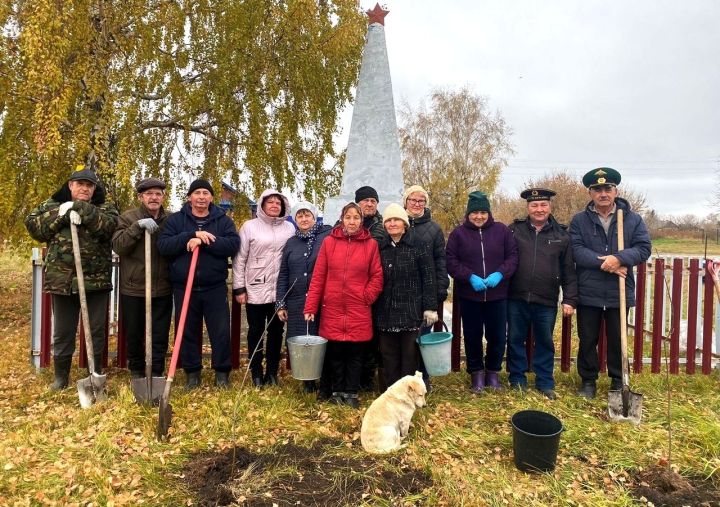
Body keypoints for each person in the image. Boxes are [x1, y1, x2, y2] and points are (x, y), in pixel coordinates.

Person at [25, 166, 119, 389]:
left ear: (94, 188)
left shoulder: (105, 207)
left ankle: (94, 374)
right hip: (63, 281)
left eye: (89, 185)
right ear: (70, 185)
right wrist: (61, 215)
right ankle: (61, 378)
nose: (85, 188)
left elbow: (109, 228)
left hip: (95, 281)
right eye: (80, 184)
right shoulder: (53, 204)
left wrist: (81, 209)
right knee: (63, 332)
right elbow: (34, 227)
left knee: (96, 331)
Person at [570, 168, 651, 399]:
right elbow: (576, 250)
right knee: (587, 338)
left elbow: (644, 248)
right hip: (589, 289)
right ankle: (588, 381)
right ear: (590, 193)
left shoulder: (632, 219)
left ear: (616, 191)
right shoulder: (579, 220)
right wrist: (607, 262)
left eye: (608, 188)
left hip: (619, 290)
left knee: (617, 337)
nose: (603, 193)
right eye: (597, 189)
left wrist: (621, 259)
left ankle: (618, 379)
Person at [157, 179, 239, 389]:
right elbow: (164, 245)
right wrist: (191, 236)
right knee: (187, 331)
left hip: (214, 287)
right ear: (189, 197)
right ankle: (192, 374)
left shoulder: (223, 220)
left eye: (206, 193)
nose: (201, 197)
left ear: (212, 197)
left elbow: (232, 245)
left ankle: (222, 374)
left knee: (220, 331)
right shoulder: (176, 221)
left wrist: (204, 241)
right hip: (185, 287)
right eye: (197, 193)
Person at [304, 202, 384, 408]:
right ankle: (337, 390)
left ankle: (351, 392)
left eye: (356, 218)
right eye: (348, 217)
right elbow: (319, 276)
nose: (352, 221)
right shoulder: (329, 243)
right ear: (342, 219)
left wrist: (366, 297)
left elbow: (377, 276)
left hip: (358, 308)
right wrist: (311, 306)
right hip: (333, 308)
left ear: (361, 220)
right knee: (336, 353)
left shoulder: (370, 245)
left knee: (356, 355)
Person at [507, 188, 578, 399]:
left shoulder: (562, 235)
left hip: (546, 300)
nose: (539, 209)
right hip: (516, 298)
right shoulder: (514, 231)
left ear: (550, 207)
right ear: (528, 208)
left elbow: (569, 271)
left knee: (545, 341)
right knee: (515, 339)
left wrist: (570, 299)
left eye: (543, 205)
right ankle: (517, 378)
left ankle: (545, 381)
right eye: (534, 205)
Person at [446, 191, 518, 392]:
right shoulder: (458, 234)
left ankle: (493, 372)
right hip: (470, 296)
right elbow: (451, 261)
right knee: (472, 335)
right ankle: (476, 373)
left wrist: (499, 274)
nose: (479, 216)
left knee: (497, 336)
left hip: (497, 295)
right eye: (475, 212)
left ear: (489, 213)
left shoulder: (502, 231)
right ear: (468, 214)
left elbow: (512, 258)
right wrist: (469, 277)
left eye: (483, 212)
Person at [233, 189, 294, 387]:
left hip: (280, 291)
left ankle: (272, 372)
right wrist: (239, 288)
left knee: (276, 332)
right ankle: (256, 372)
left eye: (278, 203)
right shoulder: (250, 227)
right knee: (256, 331)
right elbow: (240, 259)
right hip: (255, 289)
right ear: (262, 205)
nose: (275, 205)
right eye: (271, 202)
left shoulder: (289, 229)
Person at [112, 177, 172, 379]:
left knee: (160, 334)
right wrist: (137, 227)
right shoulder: (128, 218)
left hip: (162, 286)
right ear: (140, 197)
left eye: (158, 194)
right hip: (134, 287)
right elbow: (119, 246)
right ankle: (137, 372)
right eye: (149, 194)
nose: (153, 197)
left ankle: (156, 372)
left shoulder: (170, 220)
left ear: (163, 197)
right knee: (135, 334)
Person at [374, 203, 437, 388]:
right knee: (388, 357)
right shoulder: (380, 248)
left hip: (411, 313)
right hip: (385, 314)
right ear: (384, 225)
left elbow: (429, 277)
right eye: (389, 221)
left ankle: (408, 394)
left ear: (405, 223)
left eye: (397, 220)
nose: (393, 224)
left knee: (410, 358)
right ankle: (390, 394)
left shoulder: (419, 245)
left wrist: (430, 308)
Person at [275, 201, 332, 395]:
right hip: (297, 301)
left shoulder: (326, 236)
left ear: (314, 217)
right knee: (303, 341)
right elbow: (283, 273)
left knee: (322, 339)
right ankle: (308, 381)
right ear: (295, 219)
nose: (304, 219)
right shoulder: (291, 243)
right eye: (300, 216)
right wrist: (281, 302)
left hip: (322, 300)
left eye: (307, 215)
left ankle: (325, 381)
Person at [403, 184, 449, 390]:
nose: (416, 204)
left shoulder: (434, 229)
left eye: (421, 201)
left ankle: (423, 379)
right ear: (406, 202)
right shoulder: (396, 224)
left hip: (426, 293)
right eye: (413, 200)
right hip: (403, 293)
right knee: (404, 340)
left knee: (422, 338)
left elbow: (441, 261)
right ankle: (406, 379)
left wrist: (440, 289)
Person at [354, 185, 385, 391]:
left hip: (374, 290)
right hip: (351, 290)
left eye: (373, 200)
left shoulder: (381, 228)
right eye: (365, 200)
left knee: (372, 337)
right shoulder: (345, 224)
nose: (369, 203)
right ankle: (352, 379)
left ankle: (367, 379)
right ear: (358, 203)